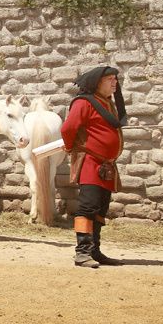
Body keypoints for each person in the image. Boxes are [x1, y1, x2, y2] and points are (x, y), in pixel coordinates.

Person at [61, 66, 127, 268]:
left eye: (115, 79)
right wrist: (71, 146)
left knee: (100, 209)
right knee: (87, 208)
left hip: (106, 166)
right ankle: (81, 253)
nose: (115, 83)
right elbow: (69, 128)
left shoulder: (107, 103)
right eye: (110, 79)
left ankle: (94, 251)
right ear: (98, 82)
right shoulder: (83, 103)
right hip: (91, 162)